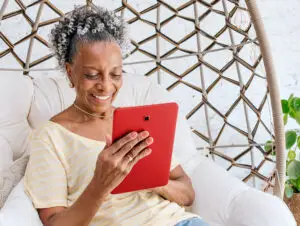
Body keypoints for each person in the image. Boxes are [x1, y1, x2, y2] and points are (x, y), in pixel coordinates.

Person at [24, 5, 209, 226]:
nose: (106, 86)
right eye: (92, 75)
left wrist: (150, 180)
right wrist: (101, 183)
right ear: (70, 72)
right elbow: (55, 223)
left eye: (115, 74)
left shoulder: (137, 123)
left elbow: (187, 193)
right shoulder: (50, 137)